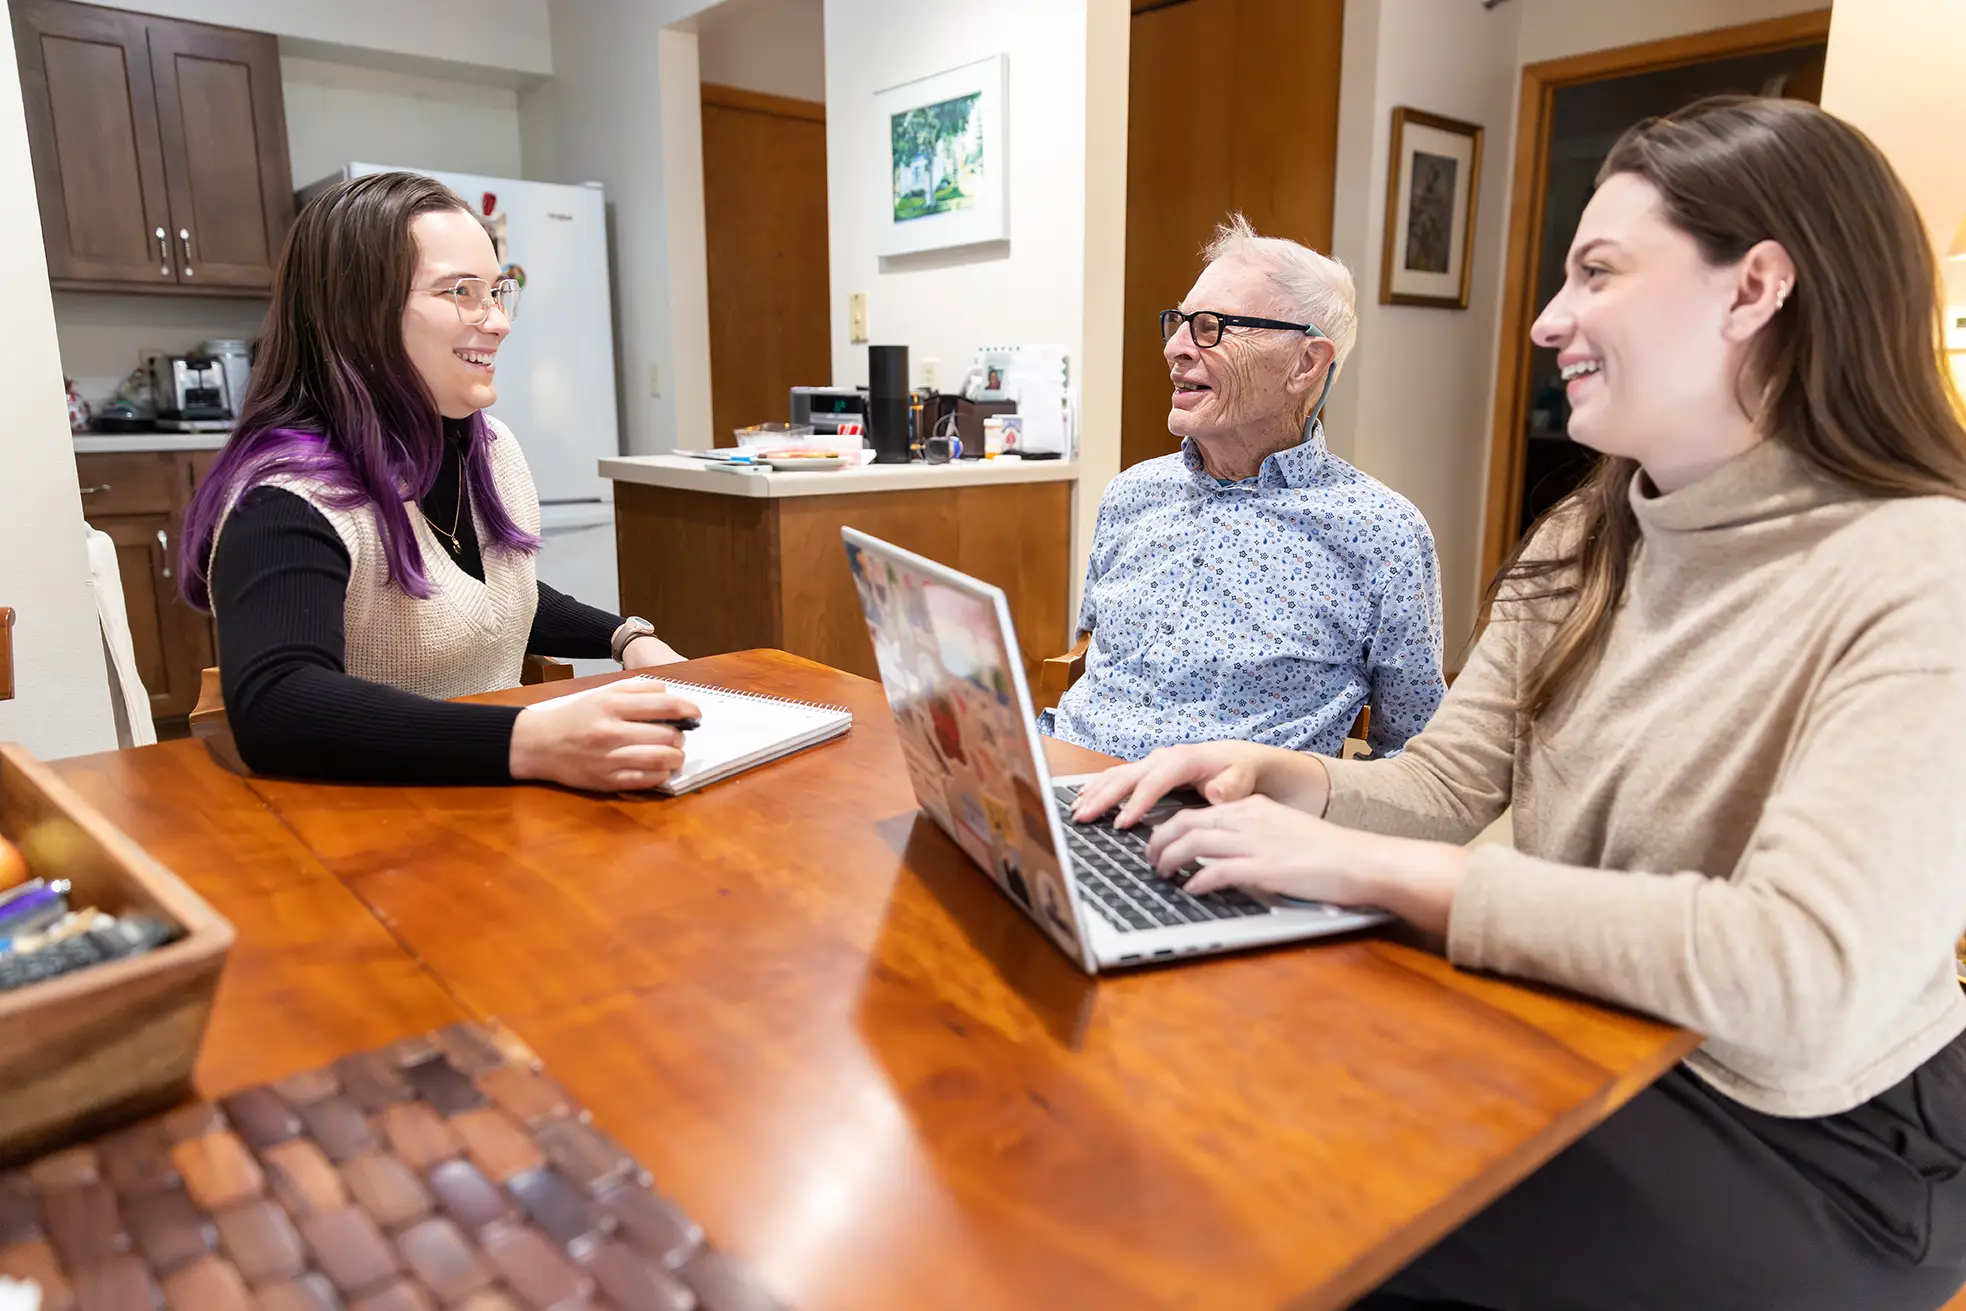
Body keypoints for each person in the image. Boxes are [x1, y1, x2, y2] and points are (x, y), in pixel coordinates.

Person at [1071, 97, 1966, 1311]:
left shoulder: (1921, 571)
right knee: (1190, 1112)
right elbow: (1449, 782)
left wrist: (1375, 875)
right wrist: (1288, 779)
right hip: (1583, 1024)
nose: (1547, 320)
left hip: (1805, 1128)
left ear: (1752, 289)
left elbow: (1796, 978)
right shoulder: (1583, 538)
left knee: (1278, 1218)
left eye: (1595, 272)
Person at [180, 172, 699, 791]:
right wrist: (532, 740)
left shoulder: (489, 448)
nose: (499, 322)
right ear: (357, 314)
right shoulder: (286, 498)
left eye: (497, 291)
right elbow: (277, 705)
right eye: (461, 292)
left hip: (487, 813)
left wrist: (625, 638)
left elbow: (492, 603)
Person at [1043, 215, 1446, 762]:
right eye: (1178, 323)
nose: (1176, 349)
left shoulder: (1381, 532)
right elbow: (1094, 658)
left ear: (1306, 363)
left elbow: (1412, 747)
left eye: (1210, 326)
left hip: (1218, 824)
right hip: (1066, 781)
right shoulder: (1131, 494)